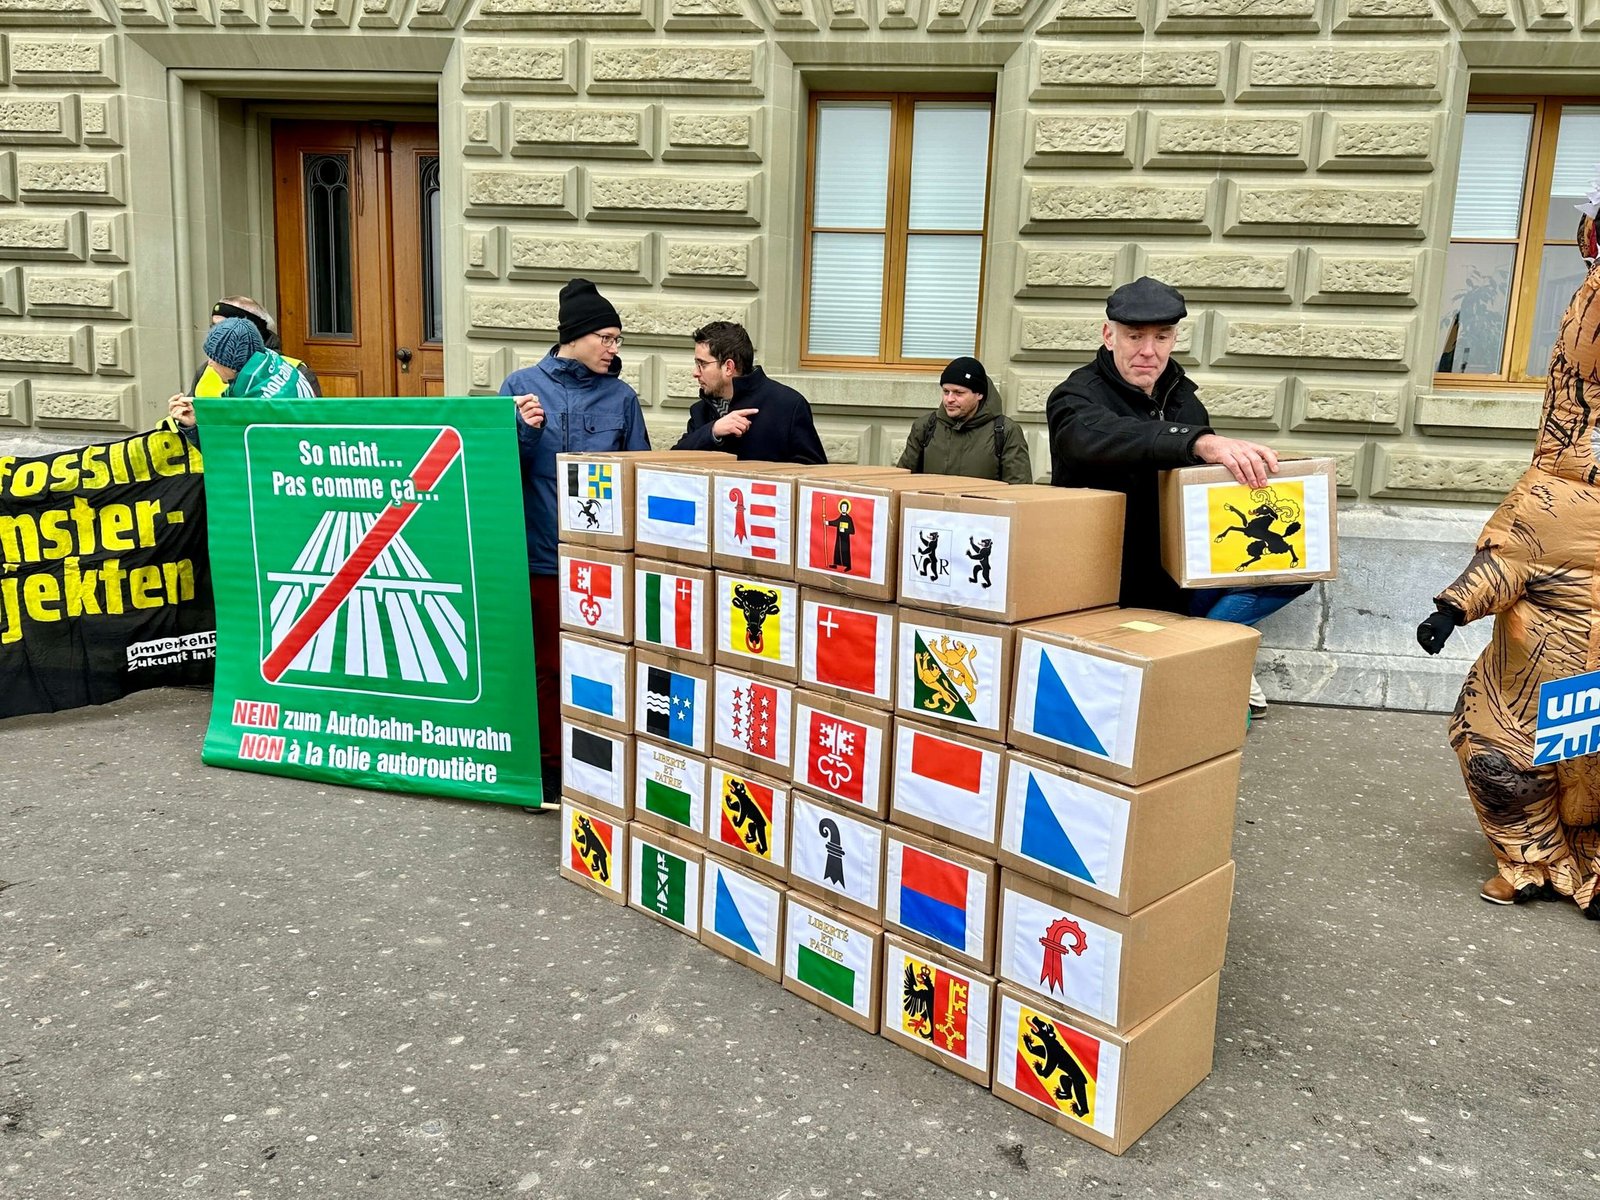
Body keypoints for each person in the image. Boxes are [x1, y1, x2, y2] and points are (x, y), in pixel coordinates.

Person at [1416, 210, 1600, 916]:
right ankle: (1531, 861)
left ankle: (1591, 865)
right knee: (1499, 764)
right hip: (1530, 691)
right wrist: (1450, 609)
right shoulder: (1549, 489)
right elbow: (1506, 560)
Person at [1046, 276, 1308, 719]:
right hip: (1110, 583)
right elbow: (1096, 438)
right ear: (1108, 335)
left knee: (1297, 566)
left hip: (1181, 572)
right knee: (1207, 724)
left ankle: (1206, 640)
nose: (1148, 351)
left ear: (1174, 338)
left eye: (1162, 337)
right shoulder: (1076, 397)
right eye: (1135, 337)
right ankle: (1204, 651)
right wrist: (1198, 441)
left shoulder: (1184, 398)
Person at [500, 278, 649, 804]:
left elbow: (639, 478)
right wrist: (522, 432)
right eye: (606, 338)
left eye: (617, 340)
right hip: (540, 556)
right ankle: (548, 767)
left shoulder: (622, 397)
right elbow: (496, 473)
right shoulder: (520, 386)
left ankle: (598, 767)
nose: (613, 348)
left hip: (602, 563)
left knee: (602, 666)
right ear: (576, 336)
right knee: (545, 667)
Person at [673, 321, 826, 464]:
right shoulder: (700, 411)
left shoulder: (788, 405)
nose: (695, 373)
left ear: (729, 367)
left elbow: (814, 472)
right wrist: (713, 431)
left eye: (702, 364)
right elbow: (675, 461)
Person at [167, 318, 317, 442]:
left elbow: (231, 458)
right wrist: (194, 421)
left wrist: (193, 428)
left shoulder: (255, 405)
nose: (210, 364)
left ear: (233, 366)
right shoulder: (273, 365)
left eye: (214, 359)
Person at [896, 356, 1032, 484]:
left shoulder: (1005, 431)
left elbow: (1019, 490)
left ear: (979, 394)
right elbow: (901, 481)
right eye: (946, 391)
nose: (949, 399)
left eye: (958, 393)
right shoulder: (925, 427)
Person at [189, 297, 323, 398]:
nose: (216, 335)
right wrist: (188, 423)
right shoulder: (206, 369)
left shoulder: (295, 371)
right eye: (213, 327)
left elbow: (314, 422)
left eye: (225, 329)